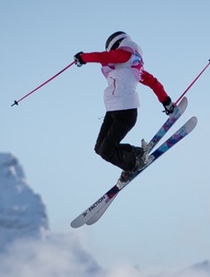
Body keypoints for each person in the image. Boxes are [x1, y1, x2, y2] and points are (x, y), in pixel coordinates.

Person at [75, 31, 176, 181]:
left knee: (106, 151)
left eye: (112, 50)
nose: (112, 53)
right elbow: (154, 83)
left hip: (125, 113)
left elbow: (104, 57)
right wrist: (166, 101)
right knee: (99, 149)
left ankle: (134, 164)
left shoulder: (125, 55)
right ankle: (136, 153)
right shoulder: (129, 67)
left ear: (116, 45)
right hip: (112, 112)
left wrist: (83, 58)